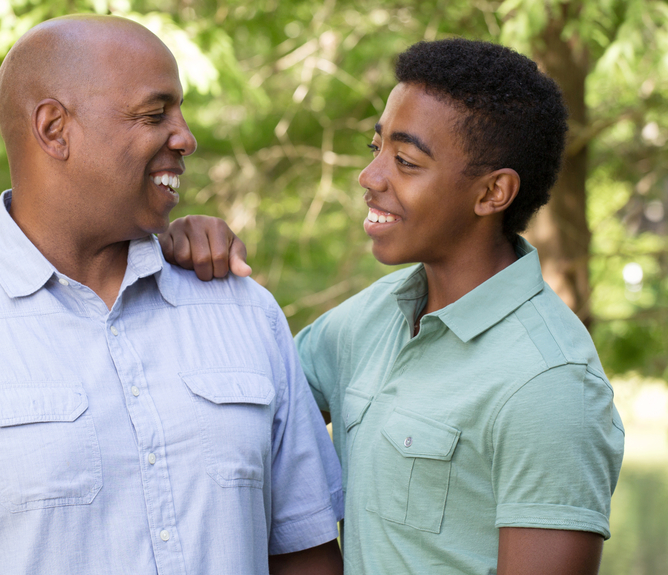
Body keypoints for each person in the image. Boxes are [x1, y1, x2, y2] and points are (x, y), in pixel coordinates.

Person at [0, 15, 344, 575]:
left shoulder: (243, 312)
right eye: (154, 113)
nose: (186, 137)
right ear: (53, 128)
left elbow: (304, 552)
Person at [162, 38, 625, 575]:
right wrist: (192, 245)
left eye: (405, 161)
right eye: (375, 147)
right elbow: (249, 410)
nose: (371, 177)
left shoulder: (549, 383)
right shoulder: (371, 316)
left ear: (492, 192)